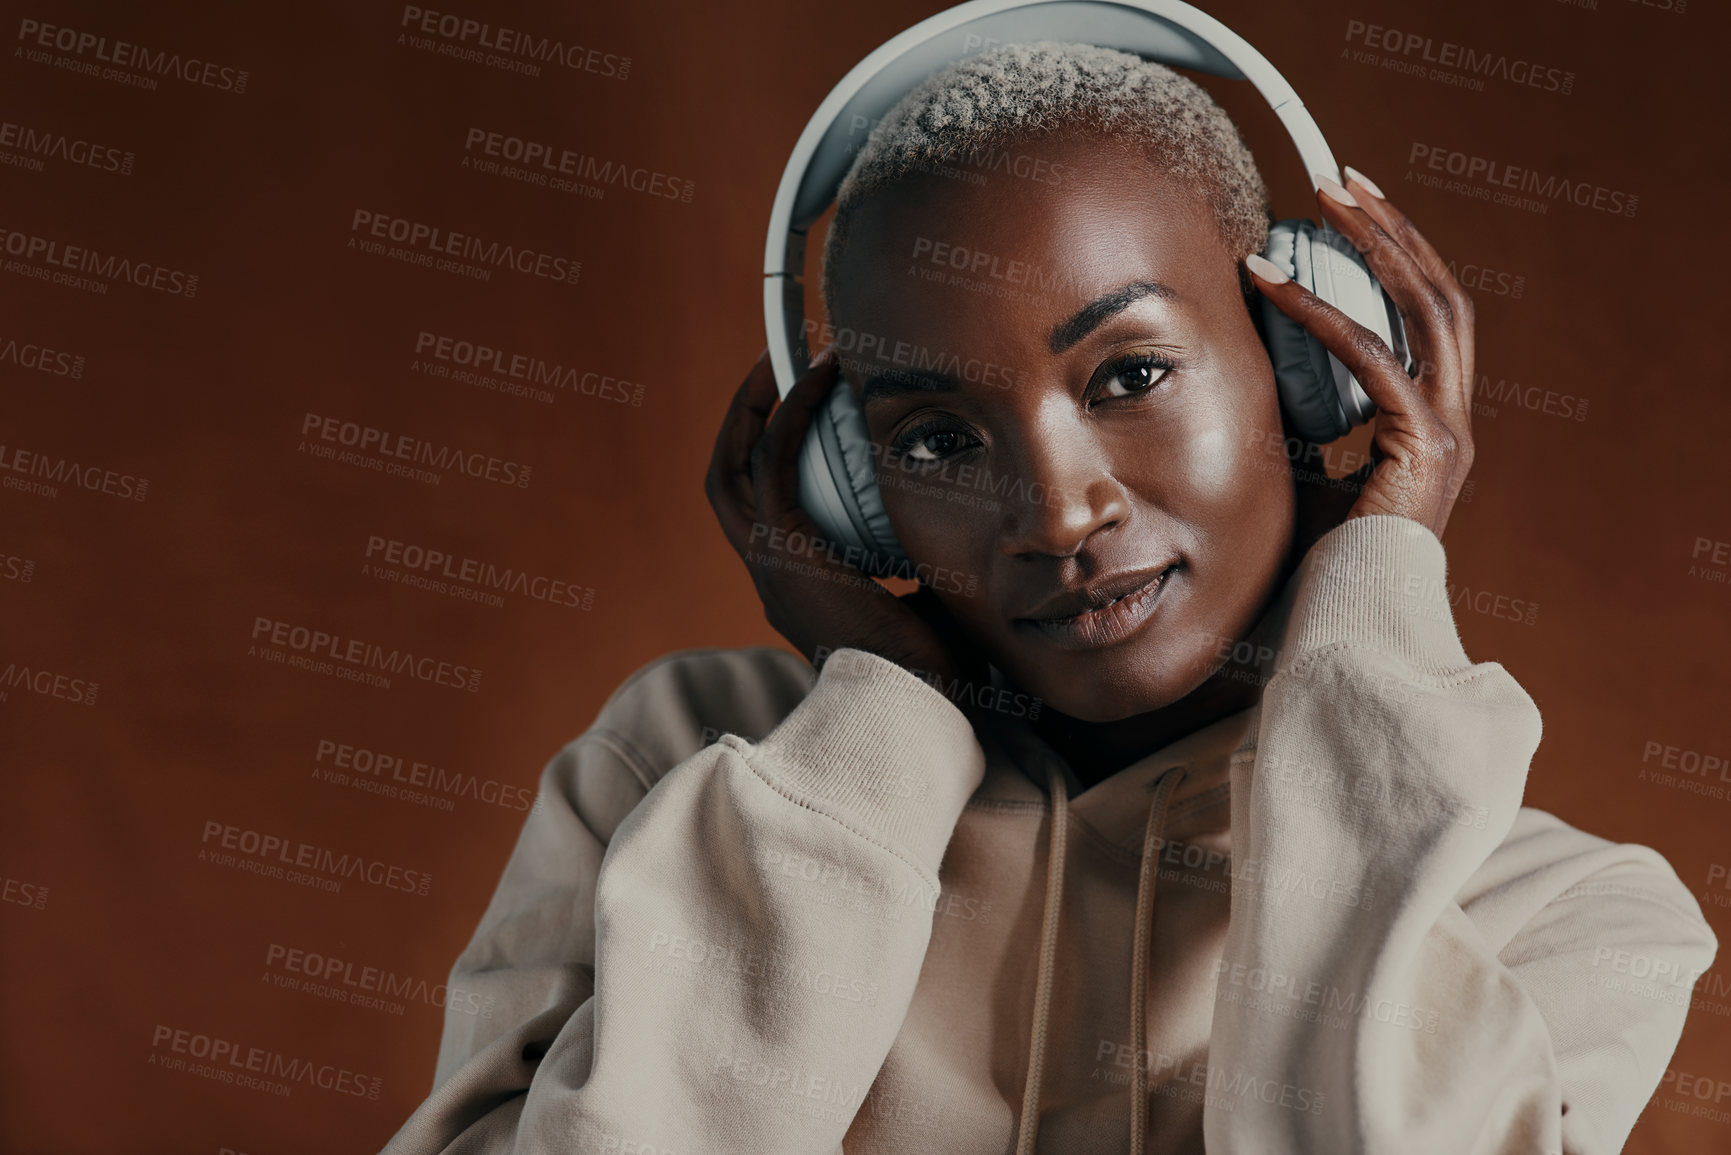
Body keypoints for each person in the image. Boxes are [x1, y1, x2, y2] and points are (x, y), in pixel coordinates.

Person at [378, 42, 1715, 1155]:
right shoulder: (672, 762)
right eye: (935, 441)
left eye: (1129, 376)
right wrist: (875, 743)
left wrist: (1370, 619)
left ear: (1312, 367)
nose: (1057, 512)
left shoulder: (1572, 915)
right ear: (853, 489)